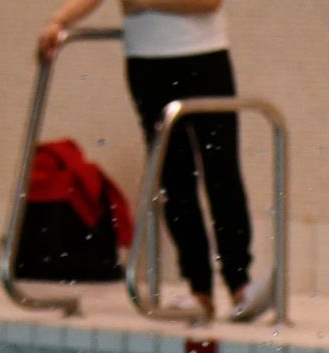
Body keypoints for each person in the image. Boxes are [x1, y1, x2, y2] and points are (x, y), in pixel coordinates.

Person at [35, 0, 274, 323]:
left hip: (203, 58)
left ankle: (239, 282)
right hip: (146, 64)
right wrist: (59, 20)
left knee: (221, 171)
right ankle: (199, 288)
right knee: (175, 180)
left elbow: (208, 2)